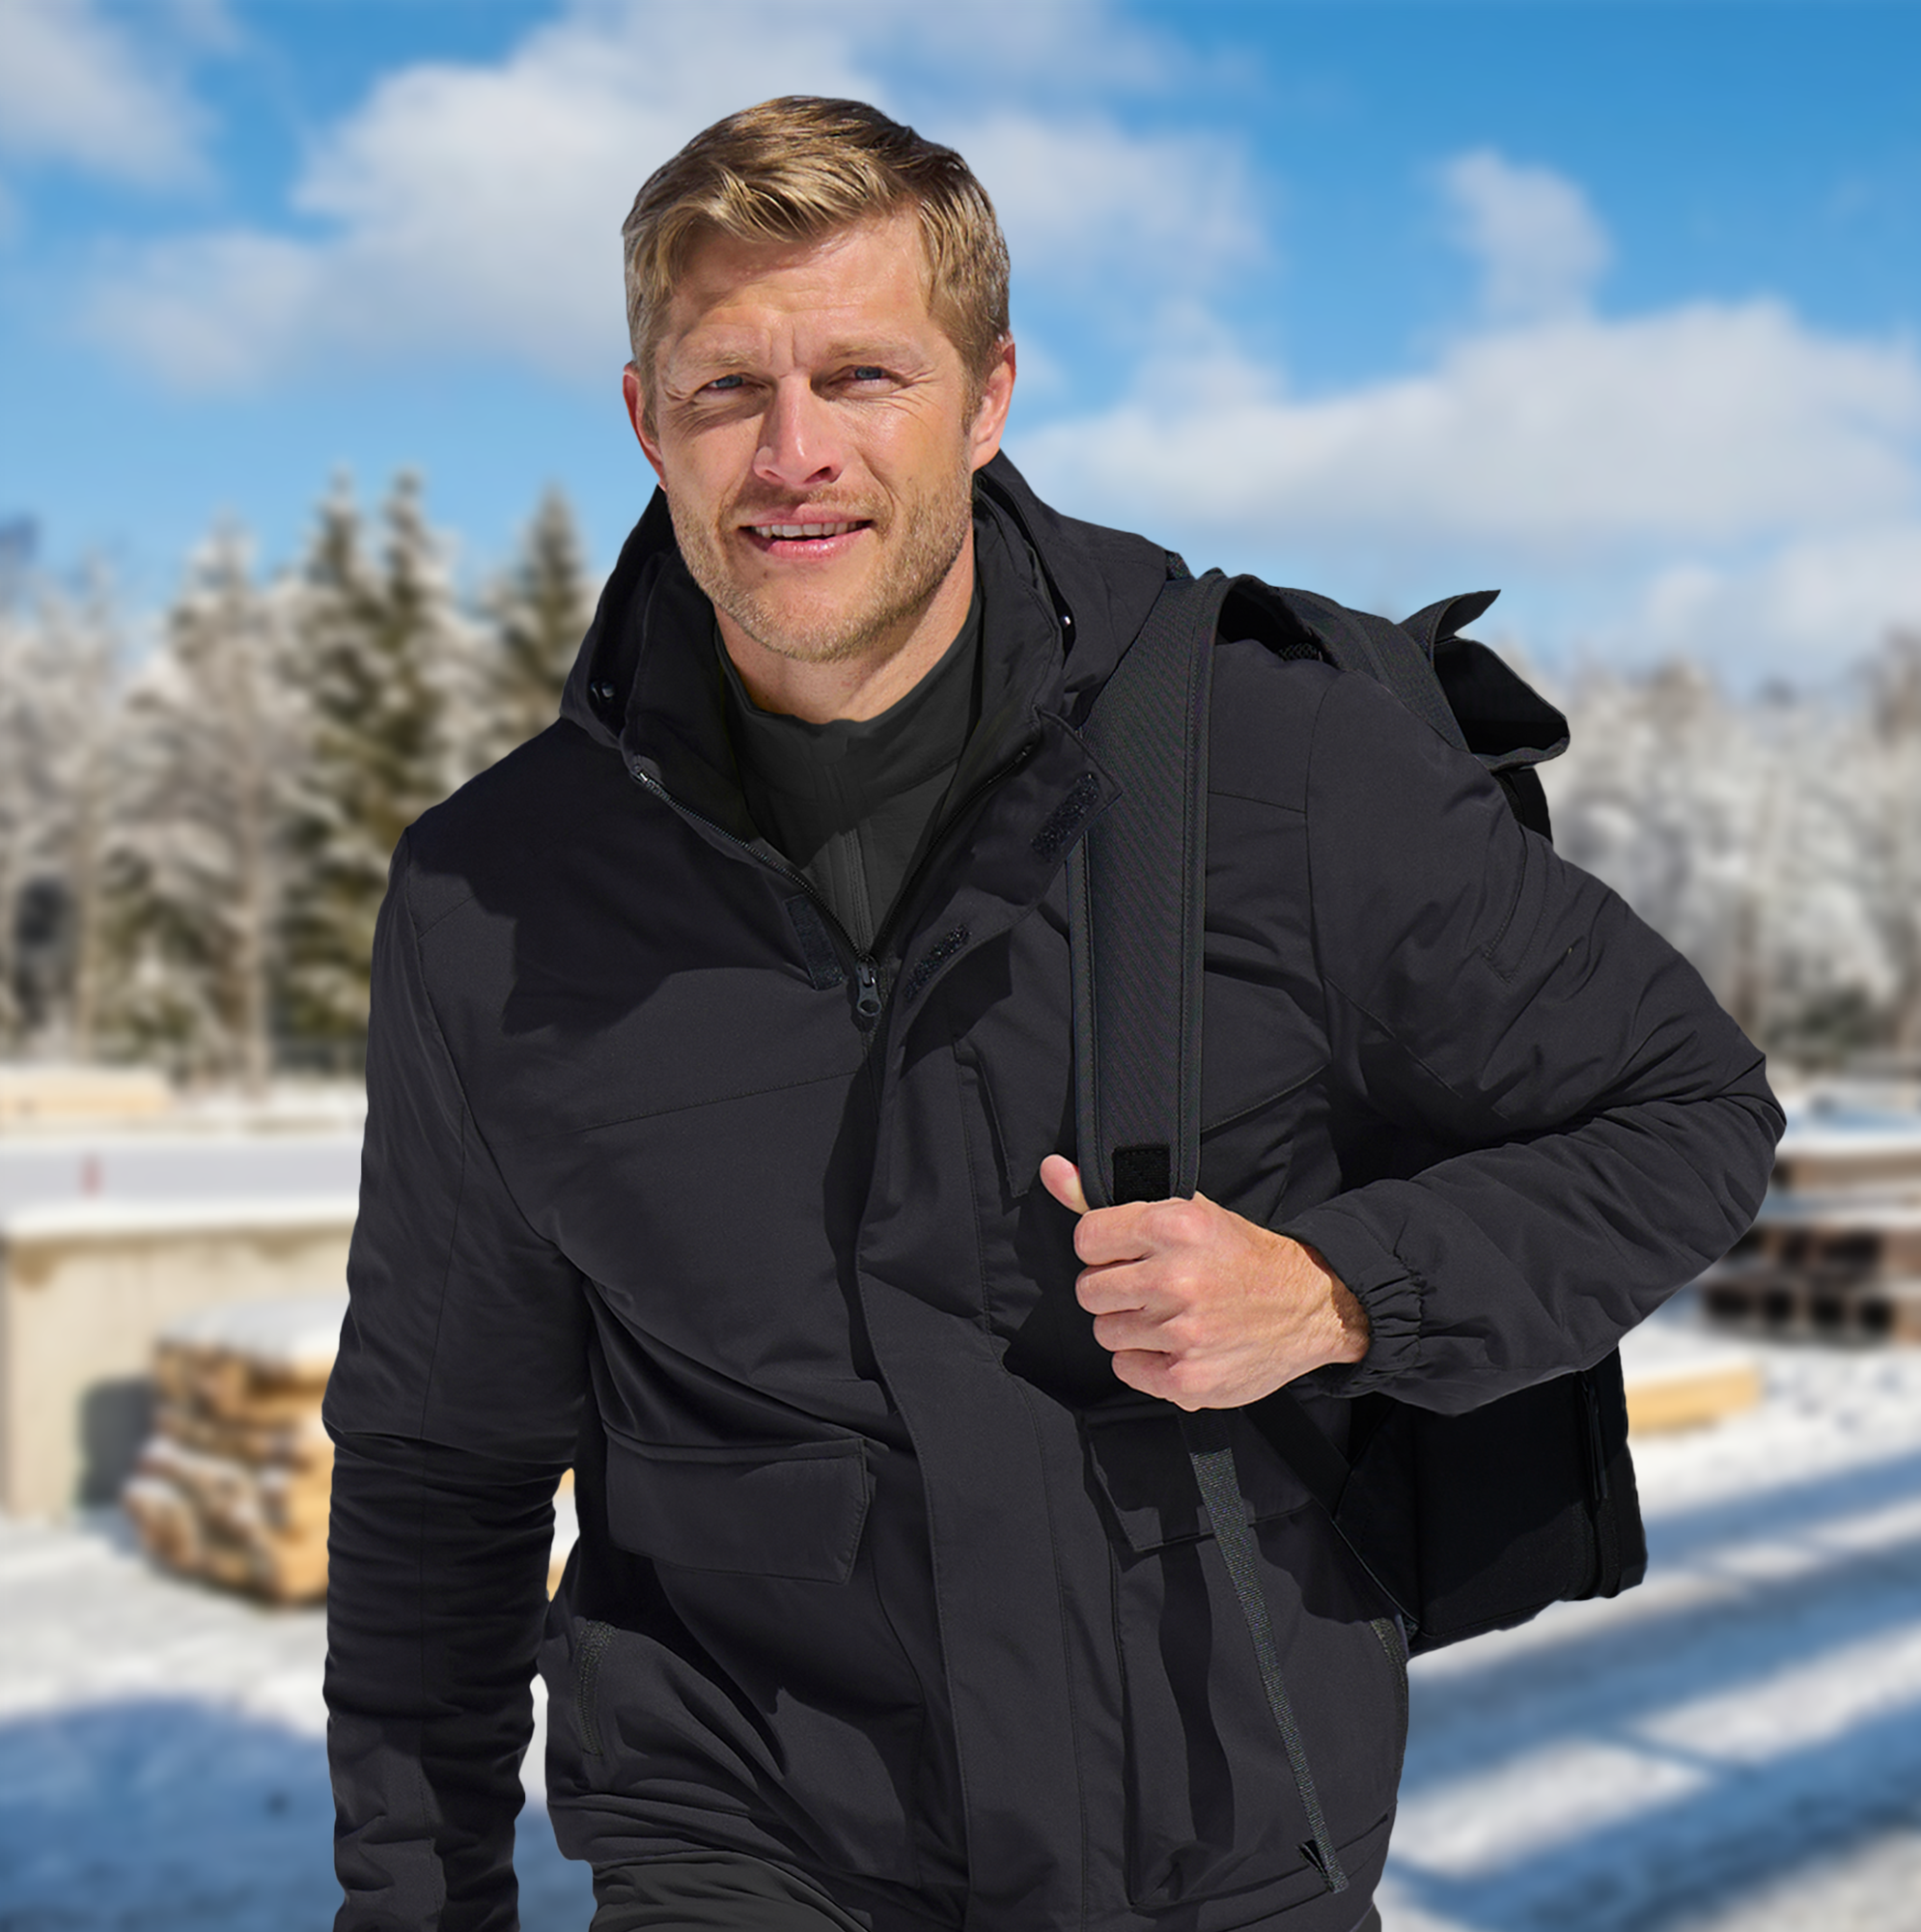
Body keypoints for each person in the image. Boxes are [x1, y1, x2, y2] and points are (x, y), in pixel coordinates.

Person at [322, 96, 1782, 1932]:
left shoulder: (1273, 765)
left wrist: (1340, 1295)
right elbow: (438, 1458)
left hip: (1217, 1848)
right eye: (724, 390)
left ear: (986, 394)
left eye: (863, 376)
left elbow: (1687, 1113)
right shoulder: (497, 894)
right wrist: (412, 1899)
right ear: (645, 421)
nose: (795, 457)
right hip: (744, 1845)